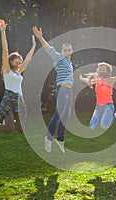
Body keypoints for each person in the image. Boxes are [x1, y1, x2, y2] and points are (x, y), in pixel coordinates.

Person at [32, 26, 74, 154]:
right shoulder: (59, 58)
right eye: (64, 49)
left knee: (66, 115)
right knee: (59, 114)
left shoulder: (69, 63)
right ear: (61, 52)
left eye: (69, 49)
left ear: (71, 51)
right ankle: (48, 138)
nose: (66, 51)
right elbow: (49, 50)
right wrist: (40, 38)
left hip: (69, 92)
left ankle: (60, 139)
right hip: (61, 90)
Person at [79, 61, 116, 130]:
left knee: (104, 126)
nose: (101, 71)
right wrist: (81, 78)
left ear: (107, 71)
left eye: (103, 69)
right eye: (100, 69)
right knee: (92, 127)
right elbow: (88, 81)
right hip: (98, 107)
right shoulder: (98, 80)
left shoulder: (110, 80)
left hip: (108, 106)